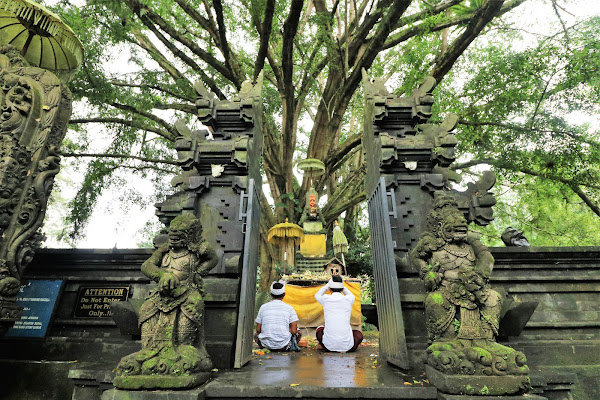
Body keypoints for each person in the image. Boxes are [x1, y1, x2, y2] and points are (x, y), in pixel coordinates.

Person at [314, 275, 363, 352]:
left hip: (328, 346)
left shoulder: (326, 299)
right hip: (348, 347)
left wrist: (328, 285)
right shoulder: (349, 299)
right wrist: (342, 286)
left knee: (319, 329)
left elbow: (317, 295)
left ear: (329, 289)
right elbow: (349, 294)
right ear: (342, 288)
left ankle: (323, 345)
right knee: (358, 334)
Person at [255, 280, 301, 351]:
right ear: (284, 294)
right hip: (283, 346)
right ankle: (288, 346)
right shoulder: (289, 308)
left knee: (255, 335)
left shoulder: (263, 307)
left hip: (265, 345)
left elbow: (258, 329)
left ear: (271, 294)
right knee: (299, 332)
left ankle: (266, 346)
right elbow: (294, 331)